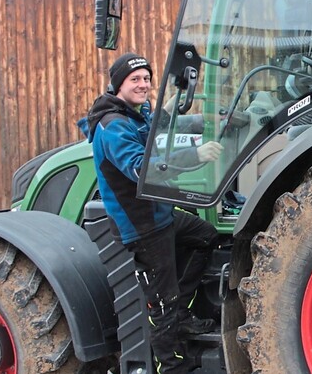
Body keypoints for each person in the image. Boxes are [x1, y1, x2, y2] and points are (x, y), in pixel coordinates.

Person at [80, 52, 223, 373]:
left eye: (146, 78)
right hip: (142, 227)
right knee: (163, 305)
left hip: (162, 214)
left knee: (206, 237)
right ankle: (173, 368)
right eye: (135, 80)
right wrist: (194, 154)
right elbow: (140, 168)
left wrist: (177, 108)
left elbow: (152, 127)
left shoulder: (134, 113)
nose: (143, 84)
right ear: (118, 85)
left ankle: (181, 313)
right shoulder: (112, 126)